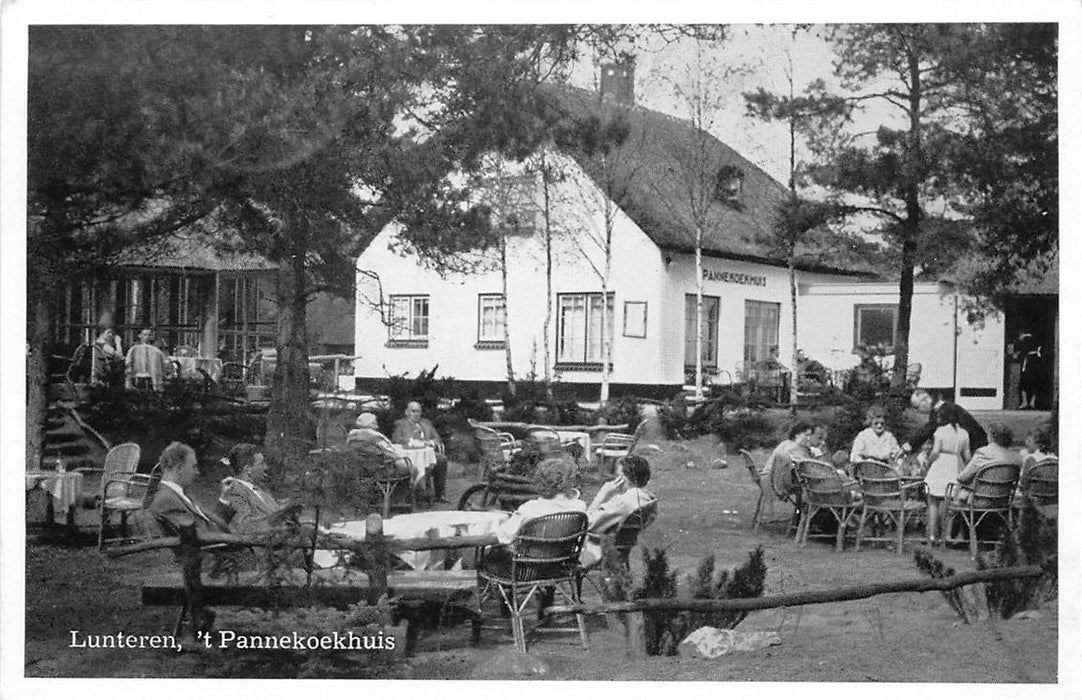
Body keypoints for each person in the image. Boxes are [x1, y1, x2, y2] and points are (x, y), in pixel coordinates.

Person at [923, 403, 972, 544]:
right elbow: (967, 455)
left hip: (940, 464)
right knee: (950, 502)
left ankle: (932, 534)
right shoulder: (964, 433)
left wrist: (928, 462)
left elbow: (935, 452)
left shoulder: (940, 432)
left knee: (933, 502)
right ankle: (948, 535)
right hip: (955, 464)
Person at [216, 443, 290, 533]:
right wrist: (279, 515)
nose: (265, 467)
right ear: (248, 468)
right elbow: (245, 526)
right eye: (261, 464)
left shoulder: (259, 489)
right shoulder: (235, 490)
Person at [951, 422, 1022, 505]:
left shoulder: (984, 453)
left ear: (991, 437)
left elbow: (962, 477)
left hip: (980, 501)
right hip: (1002, 502)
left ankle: (954, 515)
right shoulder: (1016, 457)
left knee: (961, 488)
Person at [586, 454, 657, 537]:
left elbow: (586, 524)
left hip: (599, 544)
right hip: (623, 541)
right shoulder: (648, 497)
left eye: (618, 476)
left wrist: (602, 494)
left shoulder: (622, 502)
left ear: (623, 479)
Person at [392, 401, 448, 503]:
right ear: (407, 412)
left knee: (442, 459)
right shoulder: (400, 424)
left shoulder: (426, 423)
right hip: (409, 454)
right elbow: (396, 439)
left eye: (418, 411)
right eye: (413, 411)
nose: (416, 414)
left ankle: (440, 495)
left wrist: (429, 442)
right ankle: (416, 493)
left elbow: (437, 439)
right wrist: (411, 441)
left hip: (427, 454)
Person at [903, 389, 987, 454]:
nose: (919, 411)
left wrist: (910, 444)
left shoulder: (945, 411)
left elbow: (929, 429)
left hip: (975, 446)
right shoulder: (941, 409)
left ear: (924, 402)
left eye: (917, 407)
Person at [346, 413, 412, 476]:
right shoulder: (376, 437)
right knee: (411, 460)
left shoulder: (353, 438)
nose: (376, 423)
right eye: (374, 421)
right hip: (383, 470)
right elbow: (392, 453)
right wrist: (405, 454)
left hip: (363, 469)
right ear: (371, 422)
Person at [762, 422, 814, 499]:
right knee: (814, 483)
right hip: (776, 482)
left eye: (810, 435)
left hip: (767, 477)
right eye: (806, 435)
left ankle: (801, 508)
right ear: (797, 435)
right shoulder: (794, 448)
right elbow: (806, 468)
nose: (809, 438)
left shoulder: (786, 443)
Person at [1013, 331, 1043, 409]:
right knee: (1033, 382)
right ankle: (1030, 402)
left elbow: (1023, 350)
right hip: (1034, 363)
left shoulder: (1026, 340)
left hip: (1028, 363)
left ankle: (1026, 401)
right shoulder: (1035, 342)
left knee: (1024, 382)